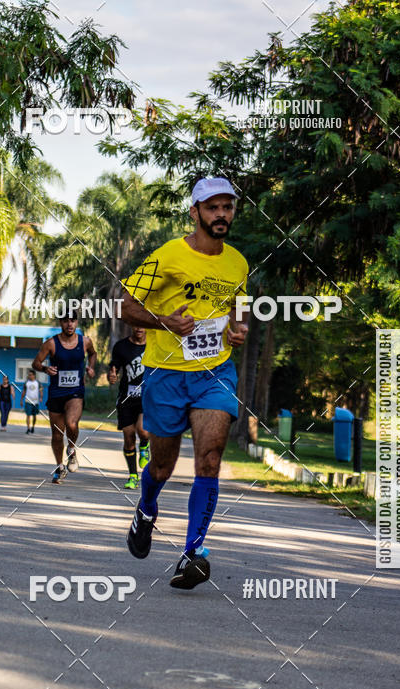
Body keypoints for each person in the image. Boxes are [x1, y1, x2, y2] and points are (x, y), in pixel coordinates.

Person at [119, 177, 249, 589]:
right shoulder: (167, 256)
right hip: (166, 373)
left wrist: (239, 328)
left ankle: (193, 552)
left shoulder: (238, 263)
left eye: (227, 207)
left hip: (215, 372)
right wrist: (165, 322)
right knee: (162, 465)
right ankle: (147, 507)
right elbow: (126, 306)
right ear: (194, 213)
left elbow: (239, 307)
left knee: (209, 459)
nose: (221, 215)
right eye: (212, 208)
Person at [32, 314, 96, 484]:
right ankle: (59, 467)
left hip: (76, 391)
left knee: (72, 423)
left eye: (73, 320)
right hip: (56, 393)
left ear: (77, 322)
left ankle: (72, 450)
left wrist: (91, 367)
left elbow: (93, 354)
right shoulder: (51, 343)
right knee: (57, 434)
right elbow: (35, 363)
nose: (70, 324)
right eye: (66, 321)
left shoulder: (85, 342)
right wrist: (45, 369)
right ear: (61, 323)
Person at [108, 326, 150, 489]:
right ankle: (133, 476)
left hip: (147, 396)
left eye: (142, 324)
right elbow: (114, 368)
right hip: (126, 398)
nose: (139, 328)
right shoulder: (121, 346)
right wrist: (111, 375)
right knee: (128, 437)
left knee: (143, 430)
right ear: (130, 325)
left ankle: (145, 444)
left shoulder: (153, 345)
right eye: (136, 324)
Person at [21, 369, 42, 433]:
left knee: (34, 416)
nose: (29, 376)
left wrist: (41, 397)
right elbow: (24, 391)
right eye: (29, 375)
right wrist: (21, 400)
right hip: (28, 401)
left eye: (31, 375)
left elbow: (41, 391)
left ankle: (33, 427)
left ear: (34, 375)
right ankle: (28, 428)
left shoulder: (38, 383)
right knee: (28, 415)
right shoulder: (26, 382)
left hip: (35, 402)